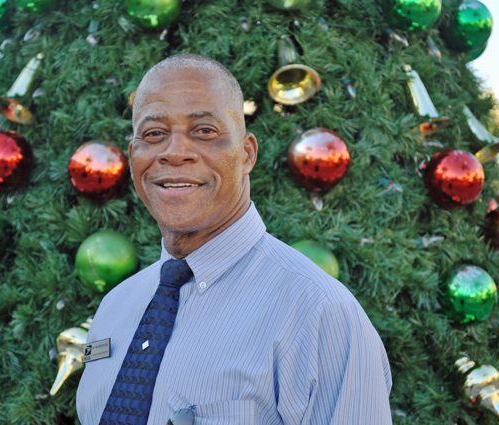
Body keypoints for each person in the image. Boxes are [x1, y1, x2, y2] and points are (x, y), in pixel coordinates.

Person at [76, 53, 392, 425]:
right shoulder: (114, 308)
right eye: (154, 134)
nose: (175, 152)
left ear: (246, 154)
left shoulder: (318, 314)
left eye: (204, 131)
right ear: (133, 157)